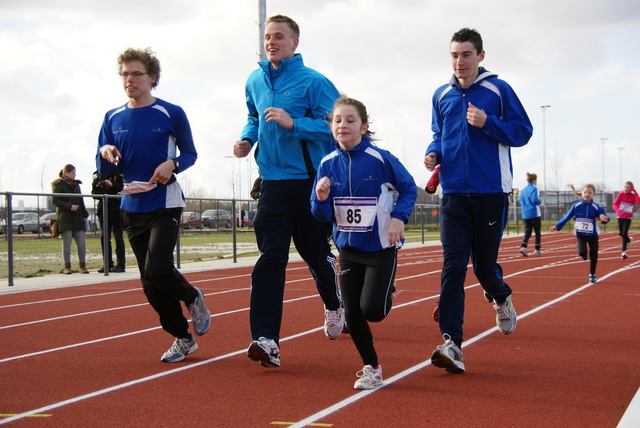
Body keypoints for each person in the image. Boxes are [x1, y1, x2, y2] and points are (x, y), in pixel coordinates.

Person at [234, 14, 344, 368]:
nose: (272, 42)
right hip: (272, 184)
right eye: (268, 37)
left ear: (295, 43)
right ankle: (266, 339)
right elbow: (253, 115)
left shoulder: (314, 82)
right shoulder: (254, 79)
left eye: (279, 37)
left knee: (315, 255)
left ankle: (333, 302)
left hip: (310, 185)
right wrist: (247, 138)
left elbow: (336, 126)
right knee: (270, 259)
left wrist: (293, 123)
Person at [424, 28, 533, 373]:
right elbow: (439, 135)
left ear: (480, 56)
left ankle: (500, 296)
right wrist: (432, 153)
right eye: (454, 55)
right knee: (453, 267)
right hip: (453, 195)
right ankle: (452, 343)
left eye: (466, 54)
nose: (460, 62)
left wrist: (488, 123)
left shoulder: (498, 91)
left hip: (490, 193)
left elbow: (523, 132)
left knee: (484, 269)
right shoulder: (441, 95)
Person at [96, 47, 210, 363]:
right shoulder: (112, 117)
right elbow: (104, 169)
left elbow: (190, 153)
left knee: (157, 268)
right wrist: (105, 151)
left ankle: (192, 296)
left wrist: (171, 164)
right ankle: (182, 338)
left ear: (152, 78)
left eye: (136, 73)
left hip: (165, 202)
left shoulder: (171, 112)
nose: (129, 80)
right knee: (150, 283)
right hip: (131, 206)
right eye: (124, 74)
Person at [311, 96, 417, 389]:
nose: (342, 125)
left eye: (350, 120)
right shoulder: (326, 164)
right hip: (347, 250)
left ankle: (386, 290)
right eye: (337, 120)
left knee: (373, 311)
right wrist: (321, 198)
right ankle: (371, 367)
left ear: (364, 126)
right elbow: (319, 214)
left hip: (380, 247)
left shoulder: (380, 159)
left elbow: (408, 189)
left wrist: (399, 218)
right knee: (352, 313)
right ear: (331, 126)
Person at [550, 183, 609, 283]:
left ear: (594, 194)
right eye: (585, 192)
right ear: (581, 193)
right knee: (582, 252)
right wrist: (558, 225)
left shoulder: (595, 207)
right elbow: (567, 217)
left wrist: (604, 219)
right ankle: (583, 255)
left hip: (593, 234)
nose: (587, 194)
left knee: (594, 255)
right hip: (580, 234)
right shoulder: (576, 206)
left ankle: (592, 274)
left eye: (590, 193)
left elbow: (605, 217)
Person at [51, 164, 90, 275]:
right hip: (65, 217)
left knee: (81, 242)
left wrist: (84, 214)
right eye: (73, 172)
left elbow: (80, 200)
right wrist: (69, 207)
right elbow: (55, 201)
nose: (75, 175)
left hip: (77, 217)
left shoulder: (77, 185)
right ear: (66, 173)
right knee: (66, 243)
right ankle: (67, 267)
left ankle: (83, 266)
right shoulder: (58, 184)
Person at [91, 170, 126, 272]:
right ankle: (107, 264)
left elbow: (122, 189)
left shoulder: (117, 173)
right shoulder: (97, 175)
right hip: (104, 210)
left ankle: (121, 264)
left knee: (118, 237)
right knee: (105, 238)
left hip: (116, 210)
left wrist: (112, 184)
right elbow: (94, 194)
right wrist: (100, 186)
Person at [612, 181, 640, 259]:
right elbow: (614, 204)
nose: (626, 189)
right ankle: (629, 240)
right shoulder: (621, 194)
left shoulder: (633, 195)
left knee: (624, 233)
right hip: (620, 216)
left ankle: (624, 252)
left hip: (628, 217)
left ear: (631, 188)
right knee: (621, 233)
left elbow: (638, 201)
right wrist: (618, 210)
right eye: (625, 187)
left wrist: (634, 191)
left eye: (628, 187)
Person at [519, 172, 543, 256]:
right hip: (534, 212)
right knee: (537, 231)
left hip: (525, 213)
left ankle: (523, 246)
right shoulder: (534, 188)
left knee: (528, 231)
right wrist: (540, 201)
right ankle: (537, 249)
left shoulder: (523, 190)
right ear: (534, 180)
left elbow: (520, 202)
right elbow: (535, 200)